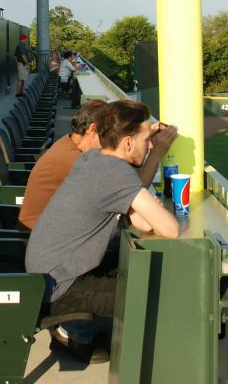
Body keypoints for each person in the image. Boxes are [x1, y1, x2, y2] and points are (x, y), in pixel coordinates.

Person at [25, 100, 179, 363]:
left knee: (125, 258)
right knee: (153, 294)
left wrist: (151, 150)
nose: (150, 145)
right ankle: (74, 336)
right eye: (146, 140)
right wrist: (156, 160)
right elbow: (171, 229)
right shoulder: (113, 172)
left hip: (47, 272)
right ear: (127, 142)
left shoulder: (94, 157)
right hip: (60, 286)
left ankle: (79, 331)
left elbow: (139, 216)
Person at [18, 101, 178, 231]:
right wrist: (156, 153)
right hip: (44, 238)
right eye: (108, 132)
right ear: (93, 130)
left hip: (55, 232)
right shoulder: (78, 161)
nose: (113, 138)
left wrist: (140, 136)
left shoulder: (71, 144)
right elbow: (132, 190)